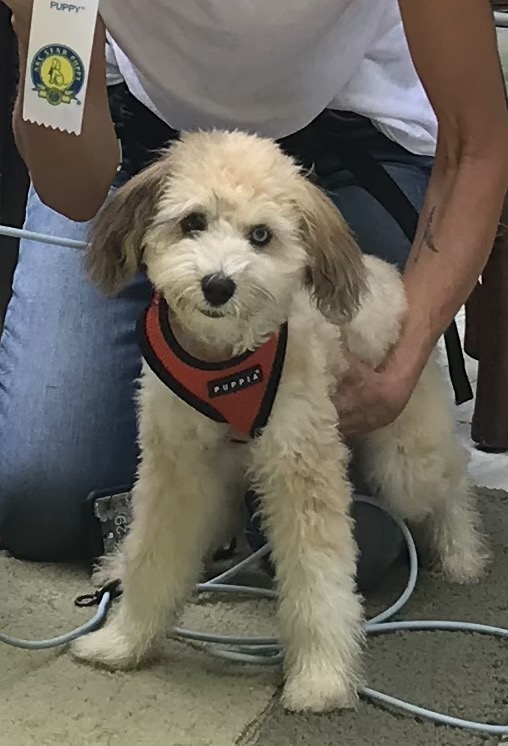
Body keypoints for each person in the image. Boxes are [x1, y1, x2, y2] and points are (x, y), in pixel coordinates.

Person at [0, 0, 507, 572]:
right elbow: (74, 193)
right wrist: (41, 22)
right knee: (44, 503)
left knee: (359, 535)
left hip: (350, 132)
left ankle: (230, 488)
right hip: (142, 143)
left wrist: (402, 365)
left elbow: (476, 146)